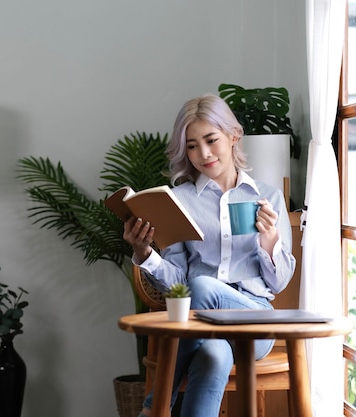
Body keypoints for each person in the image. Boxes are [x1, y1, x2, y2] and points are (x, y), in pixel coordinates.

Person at [123, 94, 296, 417]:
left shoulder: (267, 197)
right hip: (199, 325)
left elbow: (280, 282)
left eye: (211, 140)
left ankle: (154, 405)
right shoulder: (179, 200)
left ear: (233, 136)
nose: (202, 153)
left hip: (254, 322)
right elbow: (176, 284)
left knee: (201, 286)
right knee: (213, 354)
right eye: (191, 145)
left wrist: (269, 239)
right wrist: (145, 253)